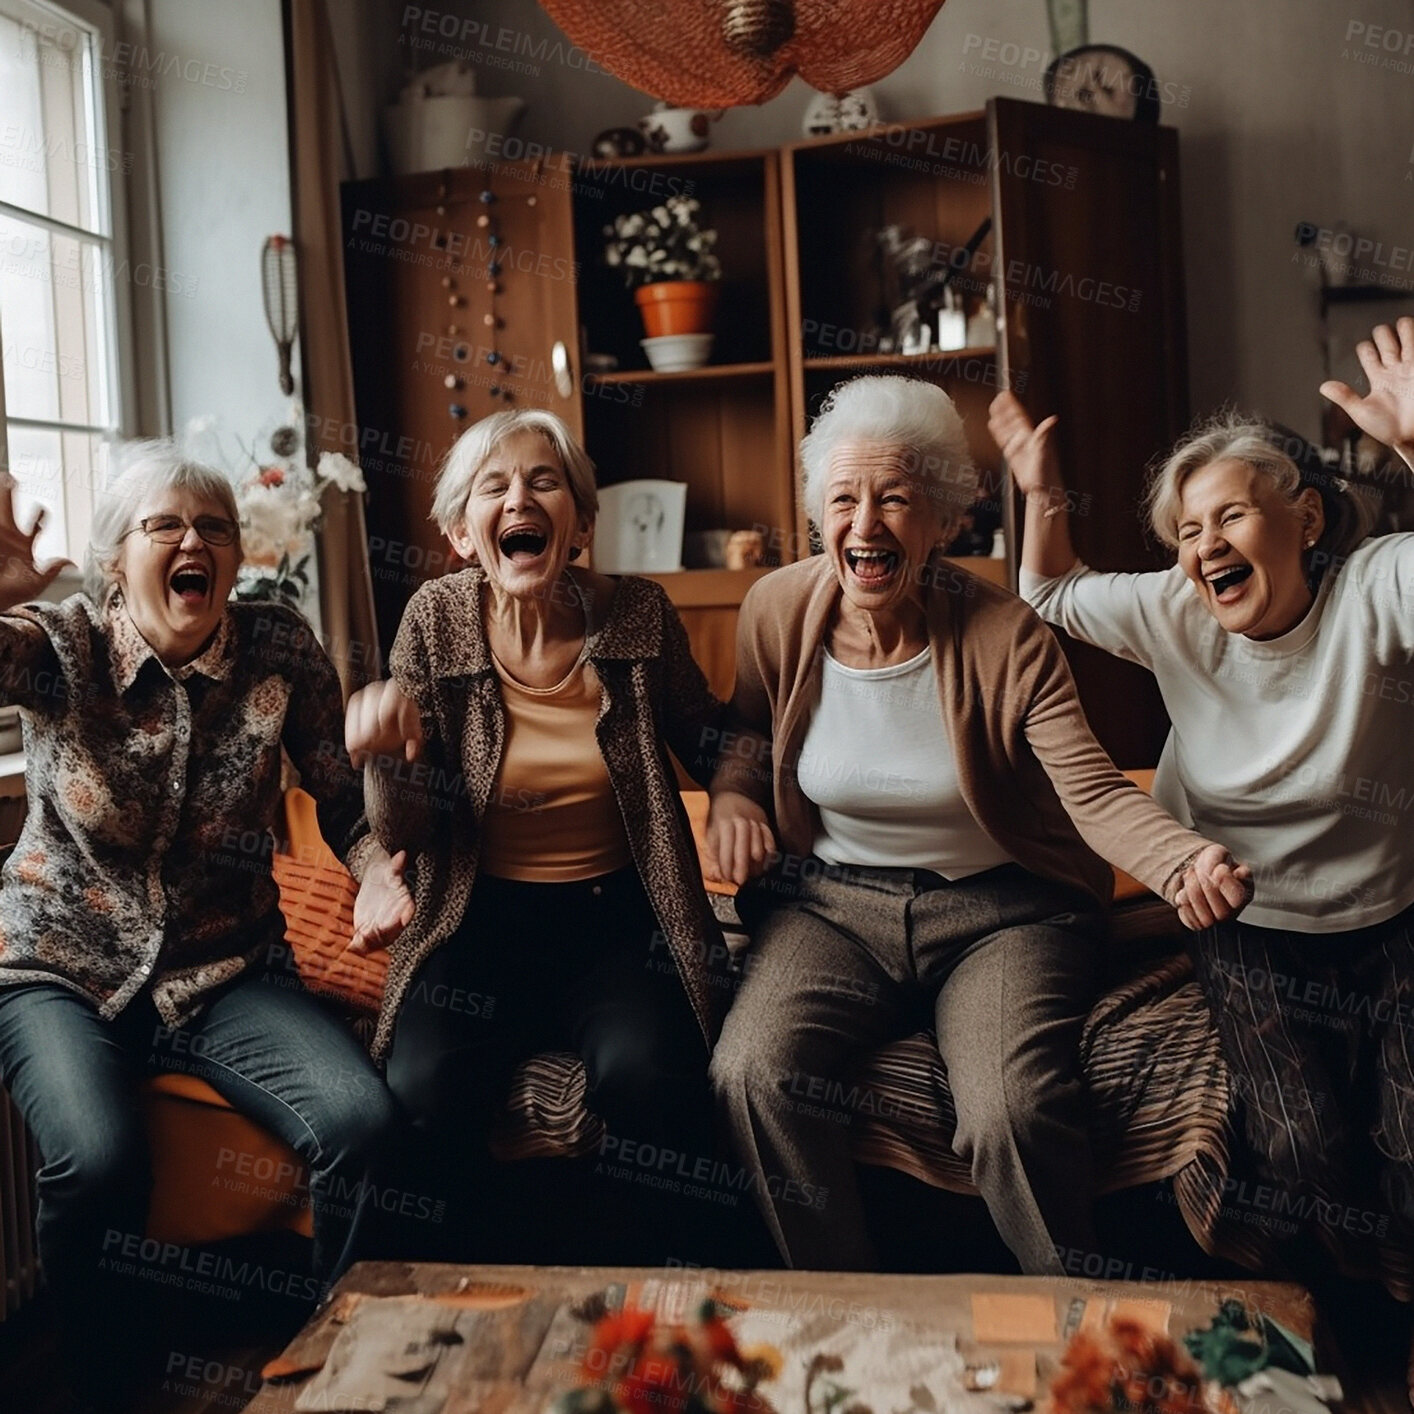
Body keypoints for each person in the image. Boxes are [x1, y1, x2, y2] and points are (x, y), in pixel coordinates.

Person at [705, 374, 1251, 1275]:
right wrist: (733, 796)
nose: (866, 523)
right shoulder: (776, 610)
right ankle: (842, 1312)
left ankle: (1079, 1315)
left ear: (946, 520)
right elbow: (749, 730)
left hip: (1001, 914)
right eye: (844, 498)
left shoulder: (1008, 635)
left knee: (1011, 1110)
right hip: (832, 908)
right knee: (751, 1074)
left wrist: (1184, 860)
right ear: (818, 516)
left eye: (896, 499)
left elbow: (1094, 791)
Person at [991, 316, 1414, 1362]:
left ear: (1308, 518)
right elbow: (1045, 590)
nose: (1202, 545)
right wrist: (1041, 492)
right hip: (1246, 916)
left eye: (1230, 515)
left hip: (1391, 913)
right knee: (1301, 1141)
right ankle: (1344, 1337)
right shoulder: (1177, 610)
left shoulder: (1375, 589)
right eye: (1186, 529)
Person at [0, 444, 404, 1408]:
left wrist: (378, 867)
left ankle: (337, 1372)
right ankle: (104, 1388)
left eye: (214, 528)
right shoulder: (62, 646)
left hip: (225, 972)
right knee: (97, 1162)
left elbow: (345, 803)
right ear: (113, 561)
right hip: (59, 968)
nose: (195, 542)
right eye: (166, 526)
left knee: (364, 1126)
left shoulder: (276, 648)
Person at [345, 407, 729, 1263]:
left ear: (581, 522)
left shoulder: (639, 616)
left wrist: (734, 795)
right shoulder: (432, 621)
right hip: (475, 919)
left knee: (648, 1078)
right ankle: (449, 1303)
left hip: (617, 921)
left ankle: (656, 1305)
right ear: (461, 534)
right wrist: (388, 761)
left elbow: (716, 742)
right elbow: (406, 829)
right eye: (495, 486)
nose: (521, 497)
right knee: (423, 1087)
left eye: (544, 481)